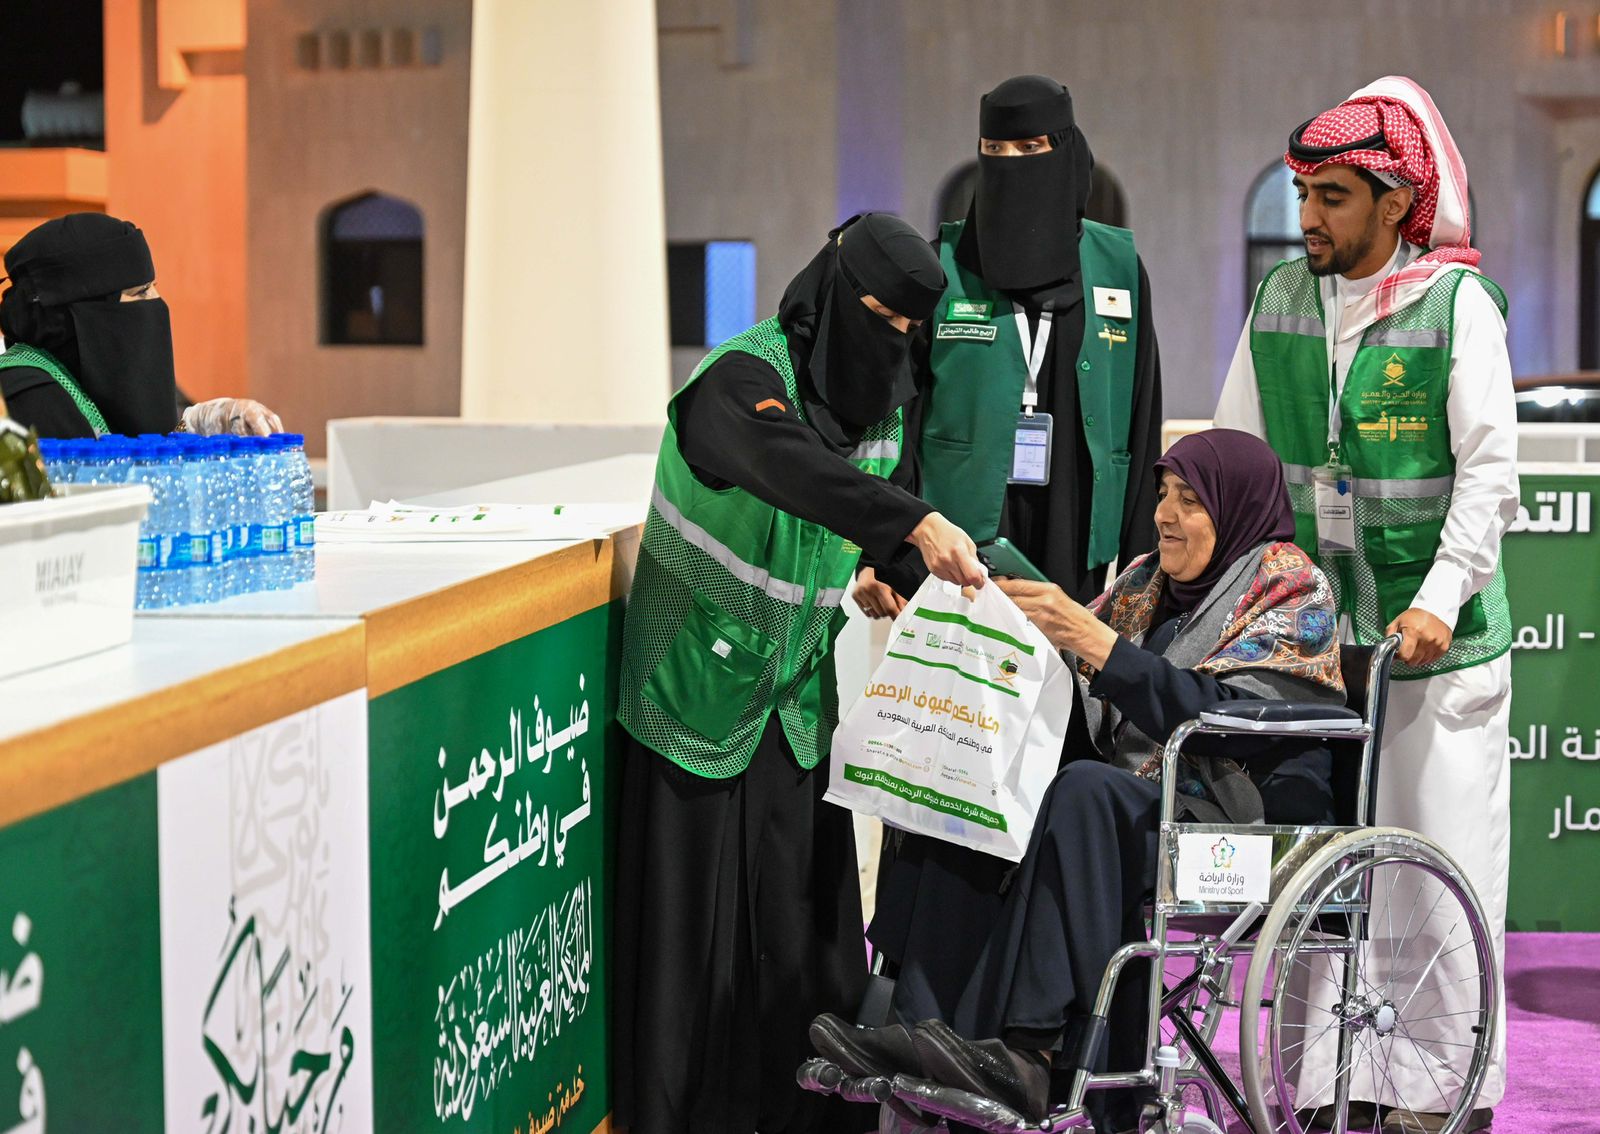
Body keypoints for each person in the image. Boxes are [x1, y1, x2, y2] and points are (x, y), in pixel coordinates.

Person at [813, 428, 1345, 1132]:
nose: (1164, 515)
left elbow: (1232, 720)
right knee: (976, 789)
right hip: (1138, 810)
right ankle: (917, 1026)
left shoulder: (1292, 589)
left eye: (1190, 501)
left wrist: (1097, 644)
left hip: (1242, 824)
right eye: (1163, 494)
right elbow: (1074, 679)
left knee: (1086, 792)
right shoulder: (1146, 582)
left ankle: (1031, 1052)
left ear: (1236, 506)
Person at [613, 212, 986, 1134]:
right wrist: (910, 524)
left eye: (909, 329)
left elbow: (861, 509)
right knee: (690, 968)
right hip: (691, 702)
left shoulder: (880, 404)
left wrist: (883, 568)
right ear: (831, 293)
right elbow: (792, 468)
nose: (891, 343)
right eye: (878, 318)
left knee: (800, 955)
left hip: (793, 710)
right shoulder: (737, 382)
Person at [1213, 76, 1513, 1134]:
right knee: (1321, 880)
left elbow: (1489, 476)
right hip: (1317, 651)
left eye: (1331, 197)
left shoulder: (1456, 307)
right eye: (1303, 194)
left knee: (1434, 874)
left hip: (1437, 649)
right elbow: (1239, 458)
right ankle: (1324, 1086)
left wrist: (1438, 598)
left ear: (1396, 203)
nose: (1308, 217)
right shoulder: (1279, 301)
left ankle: (1437, 1098)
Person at [861, 72, 1164, 1033]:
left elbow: (1143, 413)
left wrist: (1137, 570)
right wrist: (886, 550)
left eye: (1032, 151)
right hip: (957, 564)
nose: (1013, 168)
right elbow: (902, 423)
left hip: (1072, 567)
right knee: (949, 763)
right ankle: (926, 1003)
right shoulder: (945, 267)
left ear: (1068, 155)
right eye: (995, 151)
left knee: (1048, 767)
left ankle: (1034, 1014)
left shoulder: (1117, 265)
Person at [0, 212, 281, 438]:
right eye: (140, 292)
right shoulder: (30, 398)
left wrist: (195, 426)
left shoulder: (85, 376)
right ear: (87, 314)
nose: (156, 302)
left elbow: (136, 431)